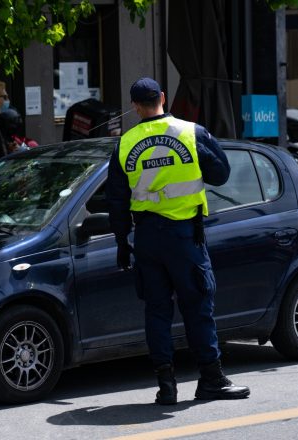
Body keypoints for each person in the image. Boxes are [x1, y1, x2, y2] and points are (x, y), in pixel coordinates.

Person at [105, 77, 250, 405]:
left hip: (146, 240)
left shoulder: (125, 143)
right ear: (163, 98)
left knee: (156, 311)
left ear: (135, 106)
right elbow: (221, 174)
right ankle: (211, 379)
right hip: (184, 238)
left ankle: (166, 386)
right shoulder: (190, 132)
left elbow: (115, 200)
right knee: (198, 306)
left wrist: (119, 242)